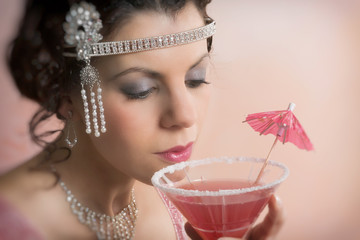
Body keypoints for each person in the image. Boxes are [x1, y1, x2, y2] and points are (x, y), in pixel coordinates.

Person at [0, 0, 284, 239]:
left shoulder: (181, 198)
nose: (185, 116)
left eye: (195, 79)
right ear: (64, 94)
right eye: (141, 90)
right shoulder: (11, 225)